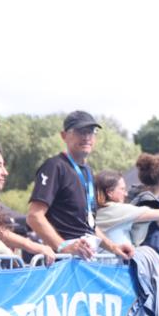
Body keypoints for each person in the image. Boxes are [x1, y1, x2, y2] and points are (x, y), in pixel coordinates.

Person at [26, 111, 134, 261]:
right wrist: (63, 247)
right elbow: (34, 216)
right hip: (63, 263)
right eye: (80, 131)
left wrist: (114, 247)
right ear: (64, 136)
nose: (87, 137)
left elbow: (88, 227)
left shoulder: (88, 171)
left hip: (86, 258)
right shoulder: (55, 166)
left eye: (91, 131)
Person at [93, 170, 159, 247]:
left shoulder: (93, 211)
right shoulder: (118, 210)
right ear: (110, 192)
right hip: (118, 257)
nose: (126, 194)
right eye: (122, 189)